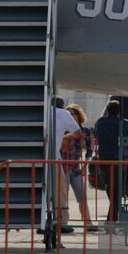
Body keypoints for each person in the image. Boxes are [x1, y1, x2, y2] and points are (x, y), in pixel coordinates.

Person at [93, 100, 128, 223]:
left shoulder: (100, 122)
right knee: (117, 192)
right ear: (119, 111)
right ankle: (111, 221)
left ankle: (112, 219)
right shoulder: (124, 123)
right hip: (118, 161)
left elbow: (96, 133)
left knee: (110, 189)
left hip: (103, 161)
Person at [60, 105, 99, 233]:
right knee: (62, 197)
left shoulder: (85, 131)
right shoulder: (63, 129)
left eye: (72, 113)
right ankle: (63, 222)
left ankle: (88, 222)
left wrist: (85, 166)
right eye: (68, 113)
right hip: (62, 167)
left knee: (82, 195)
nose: (70, 115)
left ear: (78, 115)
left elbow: (89, 150)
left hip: (76, 168)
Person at [49, 96, 77, 234]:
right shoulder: (64, 114)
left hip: (39, 158)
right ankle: (62, 220)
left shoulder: (44, 111)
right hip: (54, 157)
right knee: (60, 190)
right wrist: (64, 136)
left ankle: (42, 218)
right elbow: (78, 133)